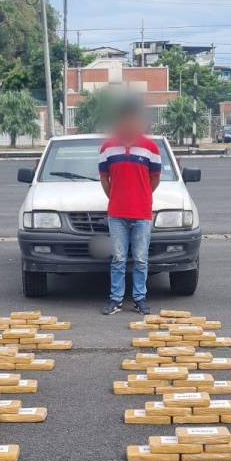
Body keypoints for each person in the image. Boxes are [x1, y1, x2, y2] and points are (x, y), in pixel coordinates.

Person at [98, 98, 161, 315]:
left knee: (141, 259)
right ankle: (115, 299)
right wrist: (116, 197)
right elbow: (104, 179)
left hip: (142, 214)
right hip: (116, 214)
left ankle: (139, 298)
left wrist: (141, 196)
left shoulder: (151, 148)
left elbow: (155, 179)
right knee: (118, 259)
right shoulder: (107, 148)